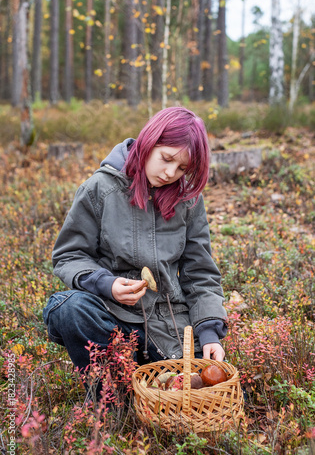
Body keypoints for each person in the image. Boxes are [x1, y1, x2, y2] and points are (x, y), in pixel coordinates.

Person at [43, 106, 227, 395]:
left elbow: (200, 273)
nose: (170, 173)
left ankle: (144, 390)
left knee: (207, 392)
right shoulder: (99, 189)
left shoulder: (189, 201)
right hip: (110, 316)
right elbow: (69, 255)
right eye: (166, 159)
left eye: (182, 169)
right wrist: (107, 284)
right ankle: (110, 398)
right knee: (68, 309)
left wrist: (209, 331)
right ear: (149, 141)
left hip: (168, 327)